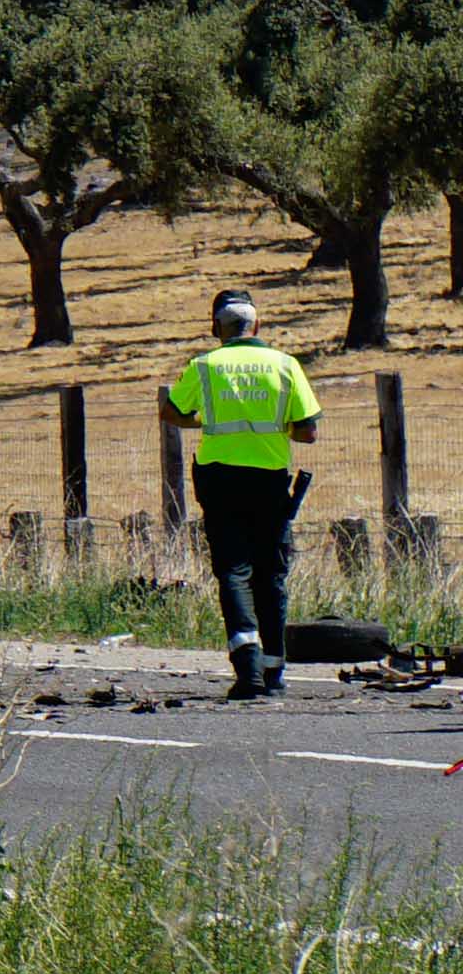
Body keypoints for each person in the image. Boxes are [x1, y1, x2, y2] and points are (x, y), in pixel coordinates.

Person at [160, 289, 320, 700]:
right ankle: (274, 671)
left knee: (234, 571)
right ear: (257, 325)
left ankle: (246, 666)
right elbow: (308, 431)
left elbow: (172, 412)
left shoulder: (205, 365)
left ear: (216, 327)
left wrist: (208, 421)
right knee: (272, 573)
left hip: (220, 479)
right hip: (269, 479)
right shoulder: (285, 365)